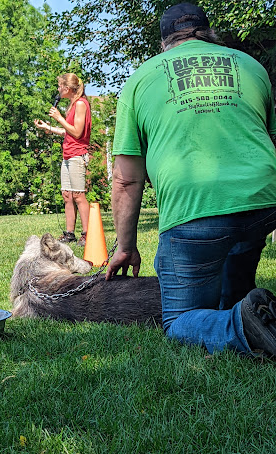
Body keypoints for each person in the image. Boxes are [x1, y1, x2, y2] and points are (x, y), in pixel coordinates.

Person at [106, 2, 276, 356]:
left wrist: (125, 247)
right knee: (238, 251)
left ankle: (242, 325)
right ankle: (250, 310)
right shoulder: (251, 66)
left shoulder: (141, 78)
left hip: (194, 213)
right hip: (263, 201)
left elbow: (125, 179)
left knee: (179, 320)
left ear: (165, 41)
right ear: (207, 32)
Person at [34, 73, 91, 246]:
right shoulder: (72, 105)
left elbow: (77, 132)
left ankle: (87, 234)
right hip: (68, 154)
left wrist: (59, 118)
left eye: (59, 86)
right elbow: (68, 131)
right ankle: (69, 234)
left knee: (78, 195)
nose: (58, 90)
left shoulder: (81, 104)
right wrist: (49, 128)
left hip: (77, 154)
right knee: (67, 195)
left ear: (67, 88)